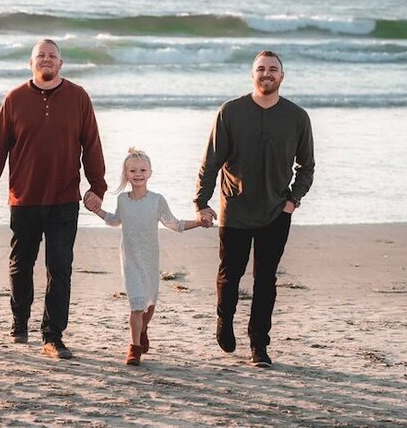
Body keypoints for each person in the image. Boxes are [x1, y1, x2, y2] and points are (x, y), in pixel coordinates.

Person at [0, 38, 106, 360]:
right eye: (41, 56)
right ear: (31, 63)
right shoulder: (14, 99)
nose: (47, 60)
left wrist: (97, 186)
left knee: (60, 268)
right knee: (20, 265)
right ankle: (19, 320)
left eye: (52, 56)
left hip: (64, 199)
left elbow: (91, 144)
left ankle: (53, 335)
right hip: (23, 199)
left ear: (61, 63)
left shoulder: (78, 97)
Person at [195, 50, 315, 368]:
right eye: (260, 69)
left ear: (282, 76)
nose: (267, 73)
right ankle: (225, 320)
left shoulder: (297, 117)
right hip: (235, 209)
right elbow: (211, 162)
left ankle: (259, 345)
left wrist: (293, 200)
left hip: (276, 212)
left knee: (266, 280)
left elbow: (307, 166)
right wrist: (201, 203)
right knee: (229, 275)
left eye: (273, 69)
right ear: (252, 75)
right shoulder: (231, 112)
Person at [88, 148, 203, 366]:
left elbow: (174, 224)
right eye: (132, 170)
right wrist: (97, 211)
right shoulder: (123, 200)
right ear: (126, 174)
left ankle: (144, 329)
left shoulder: (157, 200)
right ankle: (134, 348)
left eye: (142, 170)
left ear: (150, 173)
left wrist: (198, 222)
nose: (138, 174)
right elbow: (115, 221)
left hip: (149, 258)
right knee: (136, 305)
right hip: (130, 259)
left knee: (149, 305)